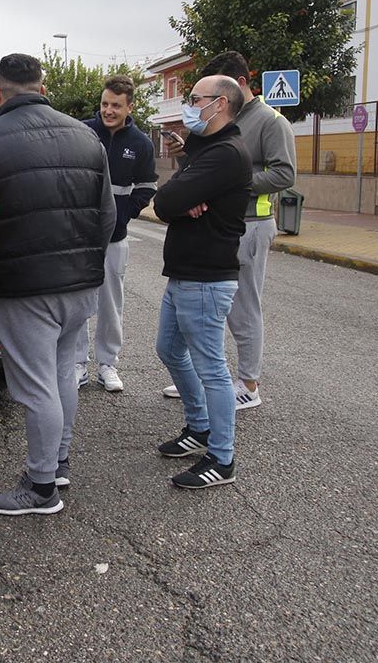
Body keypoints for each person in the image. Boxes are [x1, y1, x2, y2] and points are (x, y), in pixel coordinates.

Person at [0, 52, 115, 517]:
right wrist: (86, 264)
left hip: (24, 288)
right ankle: (57, 462)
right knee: (62, 375)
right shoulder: (87, 136)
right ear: (44, 89)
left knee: (38, 386)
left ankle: (41, 488)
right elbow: (107, 216)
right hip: (80, 286)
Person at [163, 52, 295, 410]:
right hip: (220, 220)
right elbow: (202, 168)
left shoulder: (270, 121)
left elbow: (285, 174)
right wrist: (185, 157)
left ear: (235, 87)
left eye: (202, 97)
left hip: (252, 223)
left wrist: (232, 182)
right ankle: (206, 376)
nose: (197, 105)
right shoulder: (217, 125)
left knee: (243, 306)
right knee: (209, 306)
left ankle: (248, 384)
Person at [152, 75, 252, 489]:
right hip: (185, 273)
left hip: (207, 278)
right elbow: (170, 201)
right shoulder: (205, 149)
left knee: (212, 367)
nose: (189, 105)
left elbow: (165, 201)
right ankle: (200, 427)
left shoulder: (227, 153)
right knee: (169, 349)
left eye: (195, 98)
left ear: (221, 104)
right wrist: (178, 197)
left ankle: (222, 458)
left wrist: (177, 199)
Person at [72, 75, 157, 393]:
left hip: (115, 238)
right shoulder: (81, 131)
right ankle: (78, 363)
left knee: (110, 303)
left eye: (116, 106)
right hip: (80, 236)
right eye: (105, 104)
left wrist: (121, 216)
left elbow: (146, 188)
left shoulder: (141, 144)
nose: (108, 110)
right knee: (79, 301)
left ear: (129, 107)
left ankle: (107, 364)